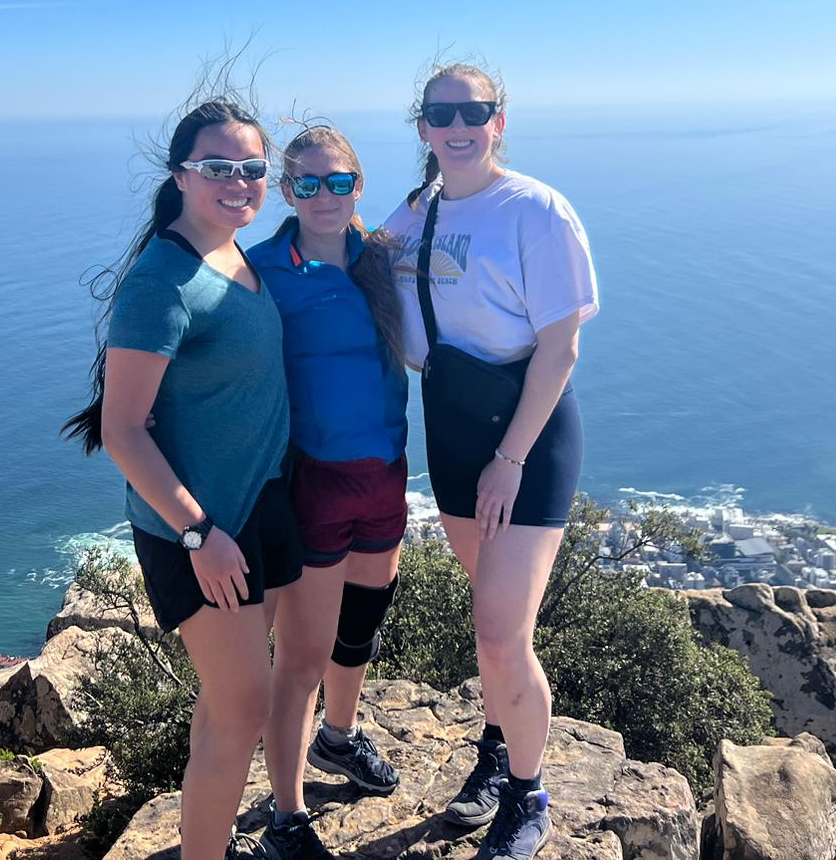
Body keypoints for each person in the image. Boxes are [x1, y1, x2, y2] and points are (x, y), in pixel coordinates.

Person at [63, 95, 298, 860]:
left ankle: (209, 843)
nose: (238, 181)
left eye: (252, 168)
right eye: (217, 168)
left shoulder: (234, 254)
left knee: (225, 708)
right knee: (243, 709)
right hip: (200, 531)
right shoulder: (161, 282)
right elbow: (124, 430)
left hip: (254, 510)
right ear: (181, 175)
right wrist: (200, 533)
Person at [382, 60, 598, 860]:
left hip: (526, 440)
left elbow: (561, 345)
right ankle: (497, 746)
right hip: (452, 427)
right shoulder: (423, 213)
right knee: (489, 618)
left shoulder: (537, 211)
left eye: (474, 111)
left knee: (503, 632)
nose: (458, 125)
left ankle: (527, 792)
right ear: (424, 129)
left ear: (499, 120)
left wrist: (510, 458)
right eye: (441, 114)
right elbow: (364, 252)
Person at [248, 125, 409, 860]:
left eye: (337, 182)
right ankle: (285, 815)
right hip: (312, 479)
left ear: (357, 186)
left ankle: (338, 740)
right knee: (302, 658)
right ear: (286, 192)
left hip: (386, 471)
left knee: (361, 626)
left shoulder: (381, 255)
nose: (323, 196)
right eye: (307, 184)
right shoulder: (259, 270)